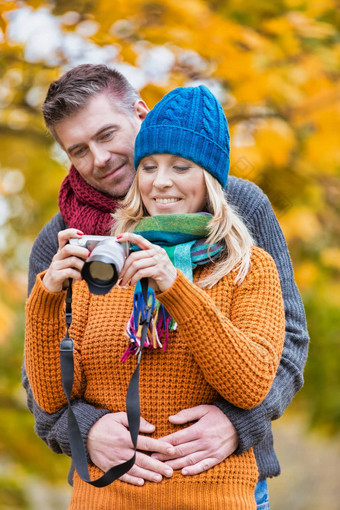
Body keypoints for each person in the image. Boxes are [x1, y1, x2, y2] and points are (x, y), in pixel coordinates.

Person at [23, 64, 309, 508]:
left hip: (221, 479)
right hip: (110, 485)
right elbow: (41, 369)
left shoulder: (236, 207)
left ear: (140, 113)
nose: (98, 159)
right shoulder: (62, 241)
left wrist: (239, 422)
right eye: (78, 150)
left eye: (106, 135)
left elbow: (286, 339)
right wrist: (85, 431)